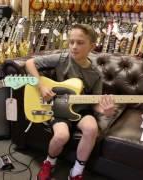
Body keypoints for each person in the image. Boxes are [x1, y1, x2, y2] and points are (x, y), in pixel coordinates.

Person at [25, 24, 115, 180]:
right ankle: (49, 162)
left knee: (92, 128)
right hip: (59, 107)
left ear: (92, 46)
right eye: (71, 42)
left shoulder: (95, 74)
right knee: (61, 136)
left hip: (81, 110)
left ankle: (77, 171)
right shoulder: (62, 58)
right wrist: (40, 85)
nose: (74, 47)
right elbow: (29, 63)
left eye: (80, 43)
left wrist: (106, 110)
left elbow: (96, 102)